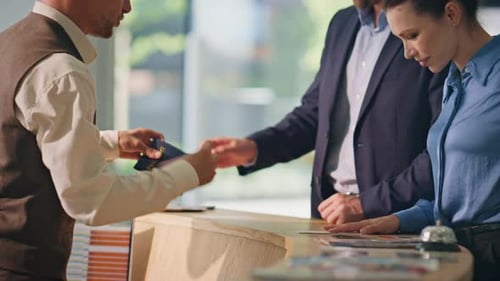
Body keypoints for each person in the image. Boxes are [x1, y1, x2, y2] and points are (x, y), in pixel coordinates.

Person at [0, 0, 217, 280]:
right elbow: (92, 201)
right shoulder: (61, 71)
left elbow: (16, 145)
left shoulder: (8, 45)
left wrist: (109, 144)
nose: (127, 7)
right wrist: (188, 173)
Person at [209, 0, 447, 224]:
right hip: (328, 212)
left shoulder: (427, 27)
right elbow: (314, 114)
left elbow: (441, 151)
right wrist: (254, 148)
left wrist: (366, 204)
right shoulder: (342, 23)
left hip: (396, 219)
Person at [326, 0, 500, 279]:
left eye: (412, 35)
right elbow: (459, 197)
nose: (407, 52)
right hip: (457, 253)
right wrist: (397, 219)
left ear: (452, 13)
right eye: (400, 39)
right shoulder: (454, 82)